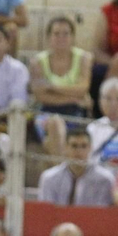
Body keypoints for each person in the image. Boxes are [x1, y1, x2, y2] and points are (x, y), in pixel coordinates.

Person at [30, 16, 93, 159]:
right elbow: (40, 96)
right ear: (49, 37)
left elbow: (83, 88)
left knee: (58, 141)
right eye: (56, 34)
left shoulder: (84, 58)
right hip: (46, 110)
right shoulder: (37, 62)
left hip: (75, 111)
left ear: (73, 37)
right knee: (53, 129)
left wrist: (51, 87)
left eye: (66, 34)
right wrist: (74, 97)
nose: (61, 38)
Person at [37, 128, 116, 207]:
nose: (79, 151)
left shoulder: (105, 179)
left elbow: (103, 213)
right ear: (66, 147)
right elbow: (45, 211)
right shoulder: (49, 178)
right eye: (74, 146)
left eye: (83, 146)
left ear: (90, 148)